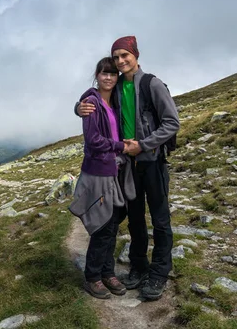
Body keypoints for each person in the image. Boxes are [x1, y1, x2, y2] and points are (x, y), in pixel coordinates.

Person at [75, 36, 180, 301]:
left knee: (159, 220)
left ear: (135, 55)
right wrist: (78, 108)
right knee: (134, 220)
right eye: (117, 57)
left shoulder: (151, 84)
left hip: (152, 162)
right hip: (128, 168)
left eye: (125, 55)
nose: (121, 61)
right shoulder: (119, 84)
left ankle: (158, 273)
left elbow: (171, 123)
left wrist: (142, 145)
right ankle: (138, 267)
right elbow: (97, 97)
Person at [69, 57, 136, 300]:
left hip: (116, 170)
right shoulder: (92, 102)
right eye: (103, 73)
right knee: (103, 225)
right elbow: (94, 141)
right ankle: (93, 277)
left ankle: (108, 272)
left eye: (112, 74)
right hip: (99, 171)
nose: (108, 77)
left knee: (114, 221)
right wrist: (121, 147)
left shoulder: (115, 100)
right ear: (96, 76)